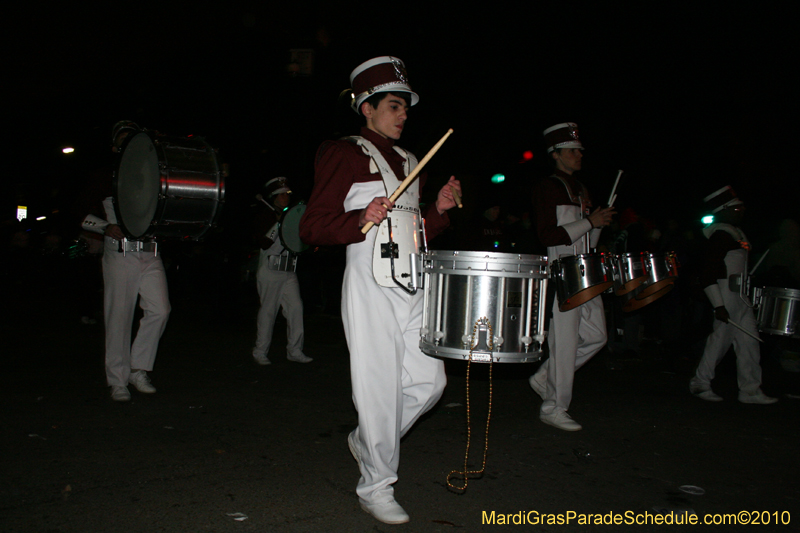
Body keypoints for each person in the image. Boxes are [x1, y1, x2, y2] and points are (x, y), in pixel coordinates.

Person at [299, 56, 461, 525]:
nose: (403, 114)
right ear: (366, 108)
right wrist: (359, 219)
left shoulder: (412, 161)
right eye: (393, 106)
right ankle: (376, 484)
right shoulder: (343, 152)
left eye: (405, 107)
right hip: (369, 280)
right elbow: (312, 226)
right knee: (377, 388)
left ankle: (366, 440)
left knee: (430, 384)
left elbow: (417, 231)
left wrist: (440, 209)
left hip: (414, 282)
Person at [527, 122, 615, 431]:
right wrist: (590, 221)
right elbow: (548, 235)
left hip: (586, 269)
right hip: (562, 271)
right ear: (556, 154)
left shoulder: (581, 188)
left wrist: (598, 222)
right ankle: (554, 406)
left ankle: (545, 377)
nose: (579, 155)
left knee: (596, 336)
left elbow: (587, 234)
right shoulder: (547, 187)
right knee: (564, 344)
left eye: (579, 150)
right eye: (573, 151)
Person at [78, 121, 170, 402]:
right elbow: (79, 212)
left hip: (149, 252)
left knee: (160, 309)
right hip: (120, 253)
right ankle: (117, 379)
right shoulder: (105, 176)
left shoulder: (151, 174)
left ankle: (137, 368)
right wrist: (104, 226)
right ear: (116, 147)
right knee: (119, 316)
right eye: (125, 140)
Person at [689, 186, 777, 404]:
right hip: (727, 295)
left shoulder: (731, 232)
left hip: (739, 296)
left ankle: (750, 390)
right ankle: (700, 383)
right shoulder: (720, 235)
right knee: (720, 340)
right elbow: (708, 273)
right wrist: (719, 305)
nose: (742, 210)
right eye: (737, 208)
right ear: (724, 210)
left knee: (748, 343)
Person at [251, 177, 311, 365]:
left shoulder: (289, 215)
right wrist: (278, 224)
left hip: (288, 270)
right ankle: (260, 351)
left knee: (296, 309)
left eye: (287, 194)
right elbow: (264, 242)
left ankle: (295, 350)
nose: (286, 197)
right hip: (270, 270)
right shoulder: (264, 215)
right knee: (268, 311)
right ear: (274, 198)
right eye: (282, 194)